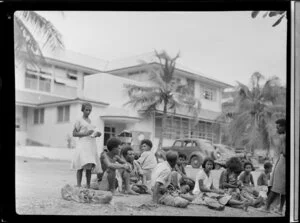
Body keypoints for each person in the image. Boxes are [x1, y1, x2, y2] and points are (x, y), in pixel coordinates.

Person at [71, 103, 102, 189]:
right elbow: (74, 133)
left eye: (90, 110)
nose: (88, 112)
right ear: (82, 110)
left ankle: (88, 185)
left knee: (89, 165)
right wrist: (85, 133)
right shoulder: (79, 120)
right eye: (86, 110)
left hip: (91, 144)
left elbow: (94, 132)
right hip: (82, 144)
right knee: (80, 164)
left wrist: (97, 134)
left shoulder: (91, 122)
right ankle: (78, 184)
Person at [260, 119, 286, 215]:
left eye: (278, 127)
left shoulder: (284, 137)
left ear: (284, 126)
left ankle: (267, 207)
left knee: (275, 186)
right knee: (284, 188)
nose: (277, 129)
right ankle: (280, 209)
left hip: (283, 161)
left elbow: (285, 152)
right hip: (283, 160)